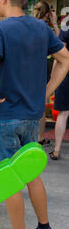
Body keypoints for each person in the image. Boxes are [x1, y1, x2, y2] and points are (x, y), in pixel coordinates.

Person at [0, 0, 69, 229]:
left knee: (8, 178)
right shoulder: (41, 28)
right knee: (31, 173)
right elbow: (65, 59)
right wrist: (46, 91)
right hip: (33, 116)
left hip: (5, 114)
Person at [33, 0, 60, 146]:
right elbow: (60, 44)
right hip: (40, 69)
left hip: (27, 68)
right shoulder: (45, 28)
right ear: (48, 14)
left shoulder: (30, 25)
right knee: (41, 104)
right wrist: (54, 23)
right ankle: (40, 137)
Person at [47, 28, 69, 160]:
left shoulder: (66, 30)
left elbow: (59, 56)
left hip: (66, 74)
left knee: (63, 113)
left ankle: (56, 149)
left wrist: (53, 77)